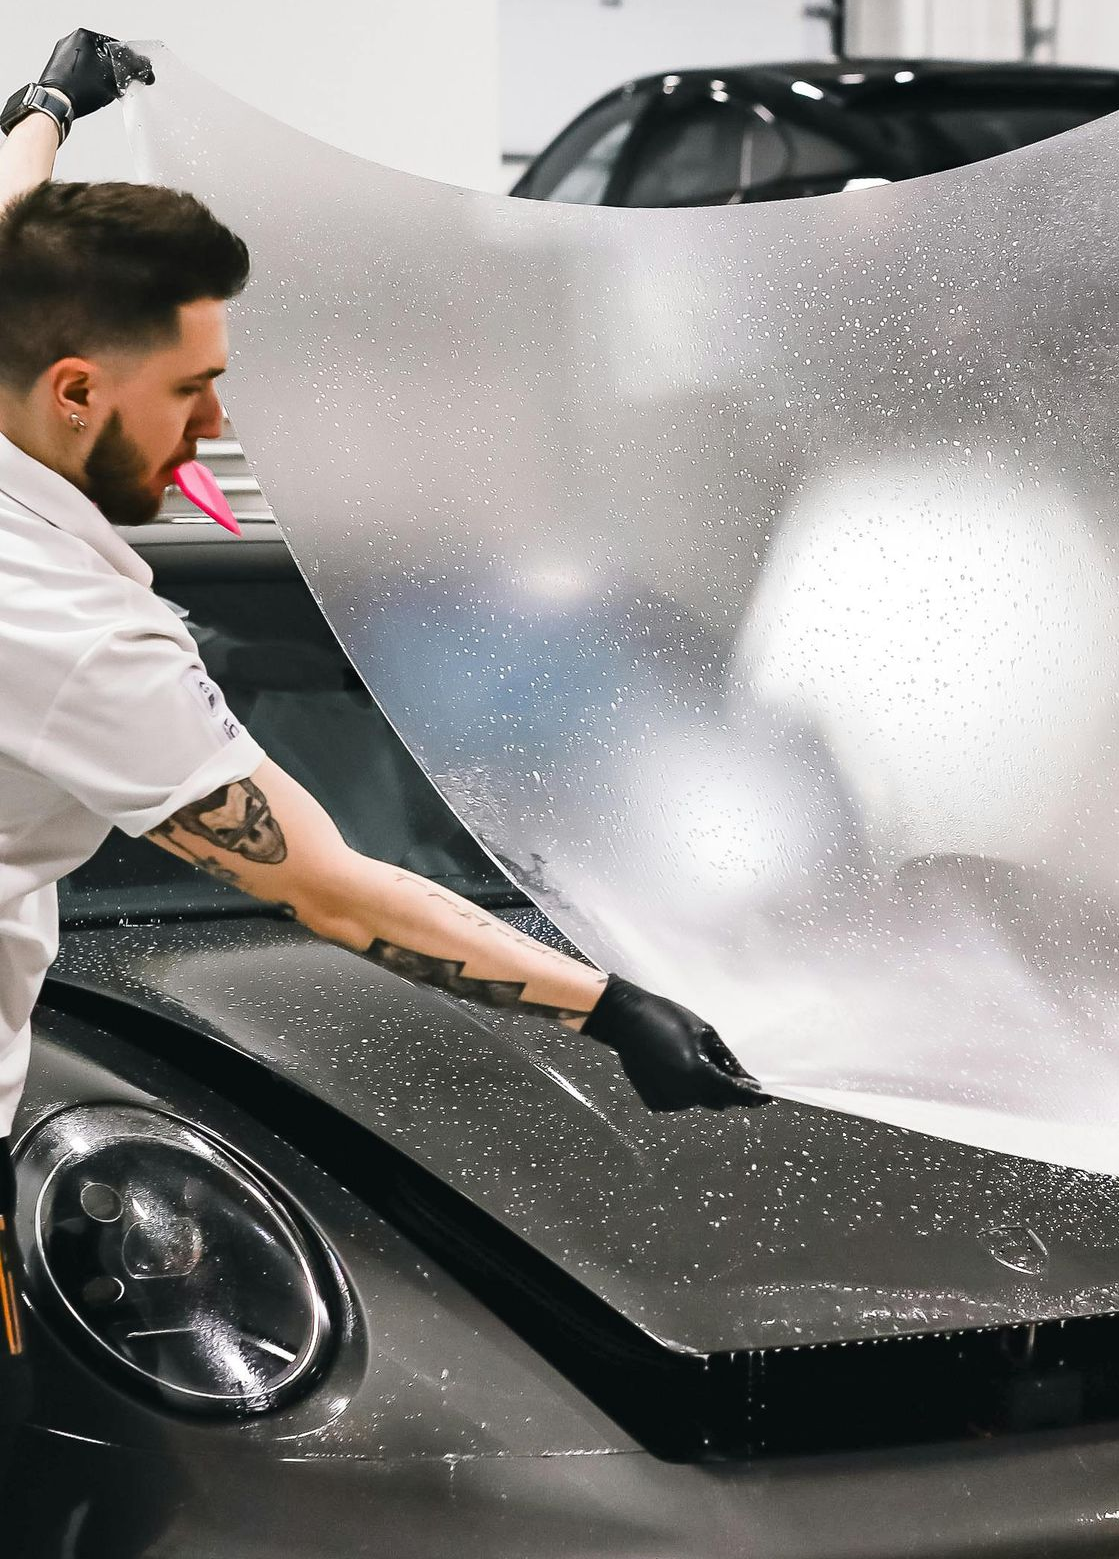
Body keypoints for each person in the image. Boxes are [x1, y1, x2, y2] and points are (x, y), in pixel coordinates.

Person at [0, 29, 763, 1469]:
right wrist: (612, 1008)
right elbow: (334, 887)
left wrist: (50, 101)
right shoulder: (85, 640)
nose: (223, 427)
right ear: (79, 392)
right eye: (193, 392)